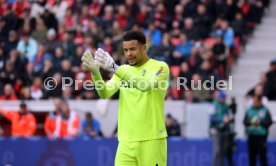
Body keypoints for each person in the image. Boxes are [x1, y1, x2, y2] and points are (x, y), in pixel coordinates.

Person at [81, 31, 169, 166]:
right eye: (126, 50)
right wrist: (95, 73)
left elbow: (145, 85)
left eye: (133, 49)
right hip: (125, 142)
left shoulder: (160, 67)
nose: (128, 54)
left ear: (144, 48)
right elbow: (105, 93)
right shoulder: (122, 70)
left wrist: (114, 68)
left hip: (152, 139)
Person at [243, 95, 272, 166]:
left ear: (260, 101)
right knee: (252, 157)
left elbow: (269, 122)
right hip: (252, 136)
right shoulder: (249, 110)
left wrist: (260, 122)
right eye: (253, 101)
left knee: (262, 157)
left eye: (255, 101)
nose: (254, 102)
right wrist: (251, 122)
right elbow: (245, 122)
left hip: (261, 137)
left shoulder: (265, 110)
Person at [209, 91, 234, 166]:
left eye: (224, 98)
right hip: (216, 129)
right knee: (217, 150)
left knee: (223, 151)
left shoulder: (226, 106)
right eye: (222, 98)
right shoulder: (214, 105)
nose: (223, 99)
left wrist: (228, 120)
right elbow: (211, 118)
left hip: (225, 130)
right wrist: (221, 120)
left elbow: (230, 116)